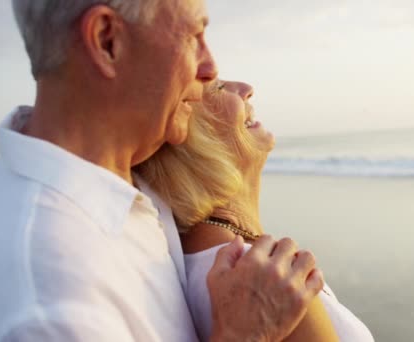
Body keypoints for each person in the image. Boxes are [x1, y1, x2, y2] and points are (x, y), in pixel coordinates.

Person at [0, 1, 324, 341]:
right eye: (194, 35)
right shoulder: (52, 303)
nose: (210, 67)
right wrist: (245, 334)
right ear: (107, 40)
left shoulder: (126, 180)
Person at [137, 79, 375, 341]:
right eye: (217, 88)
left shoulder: (210, 263)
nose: (246, 88)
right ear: (189, 140)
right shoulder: (264, 283)